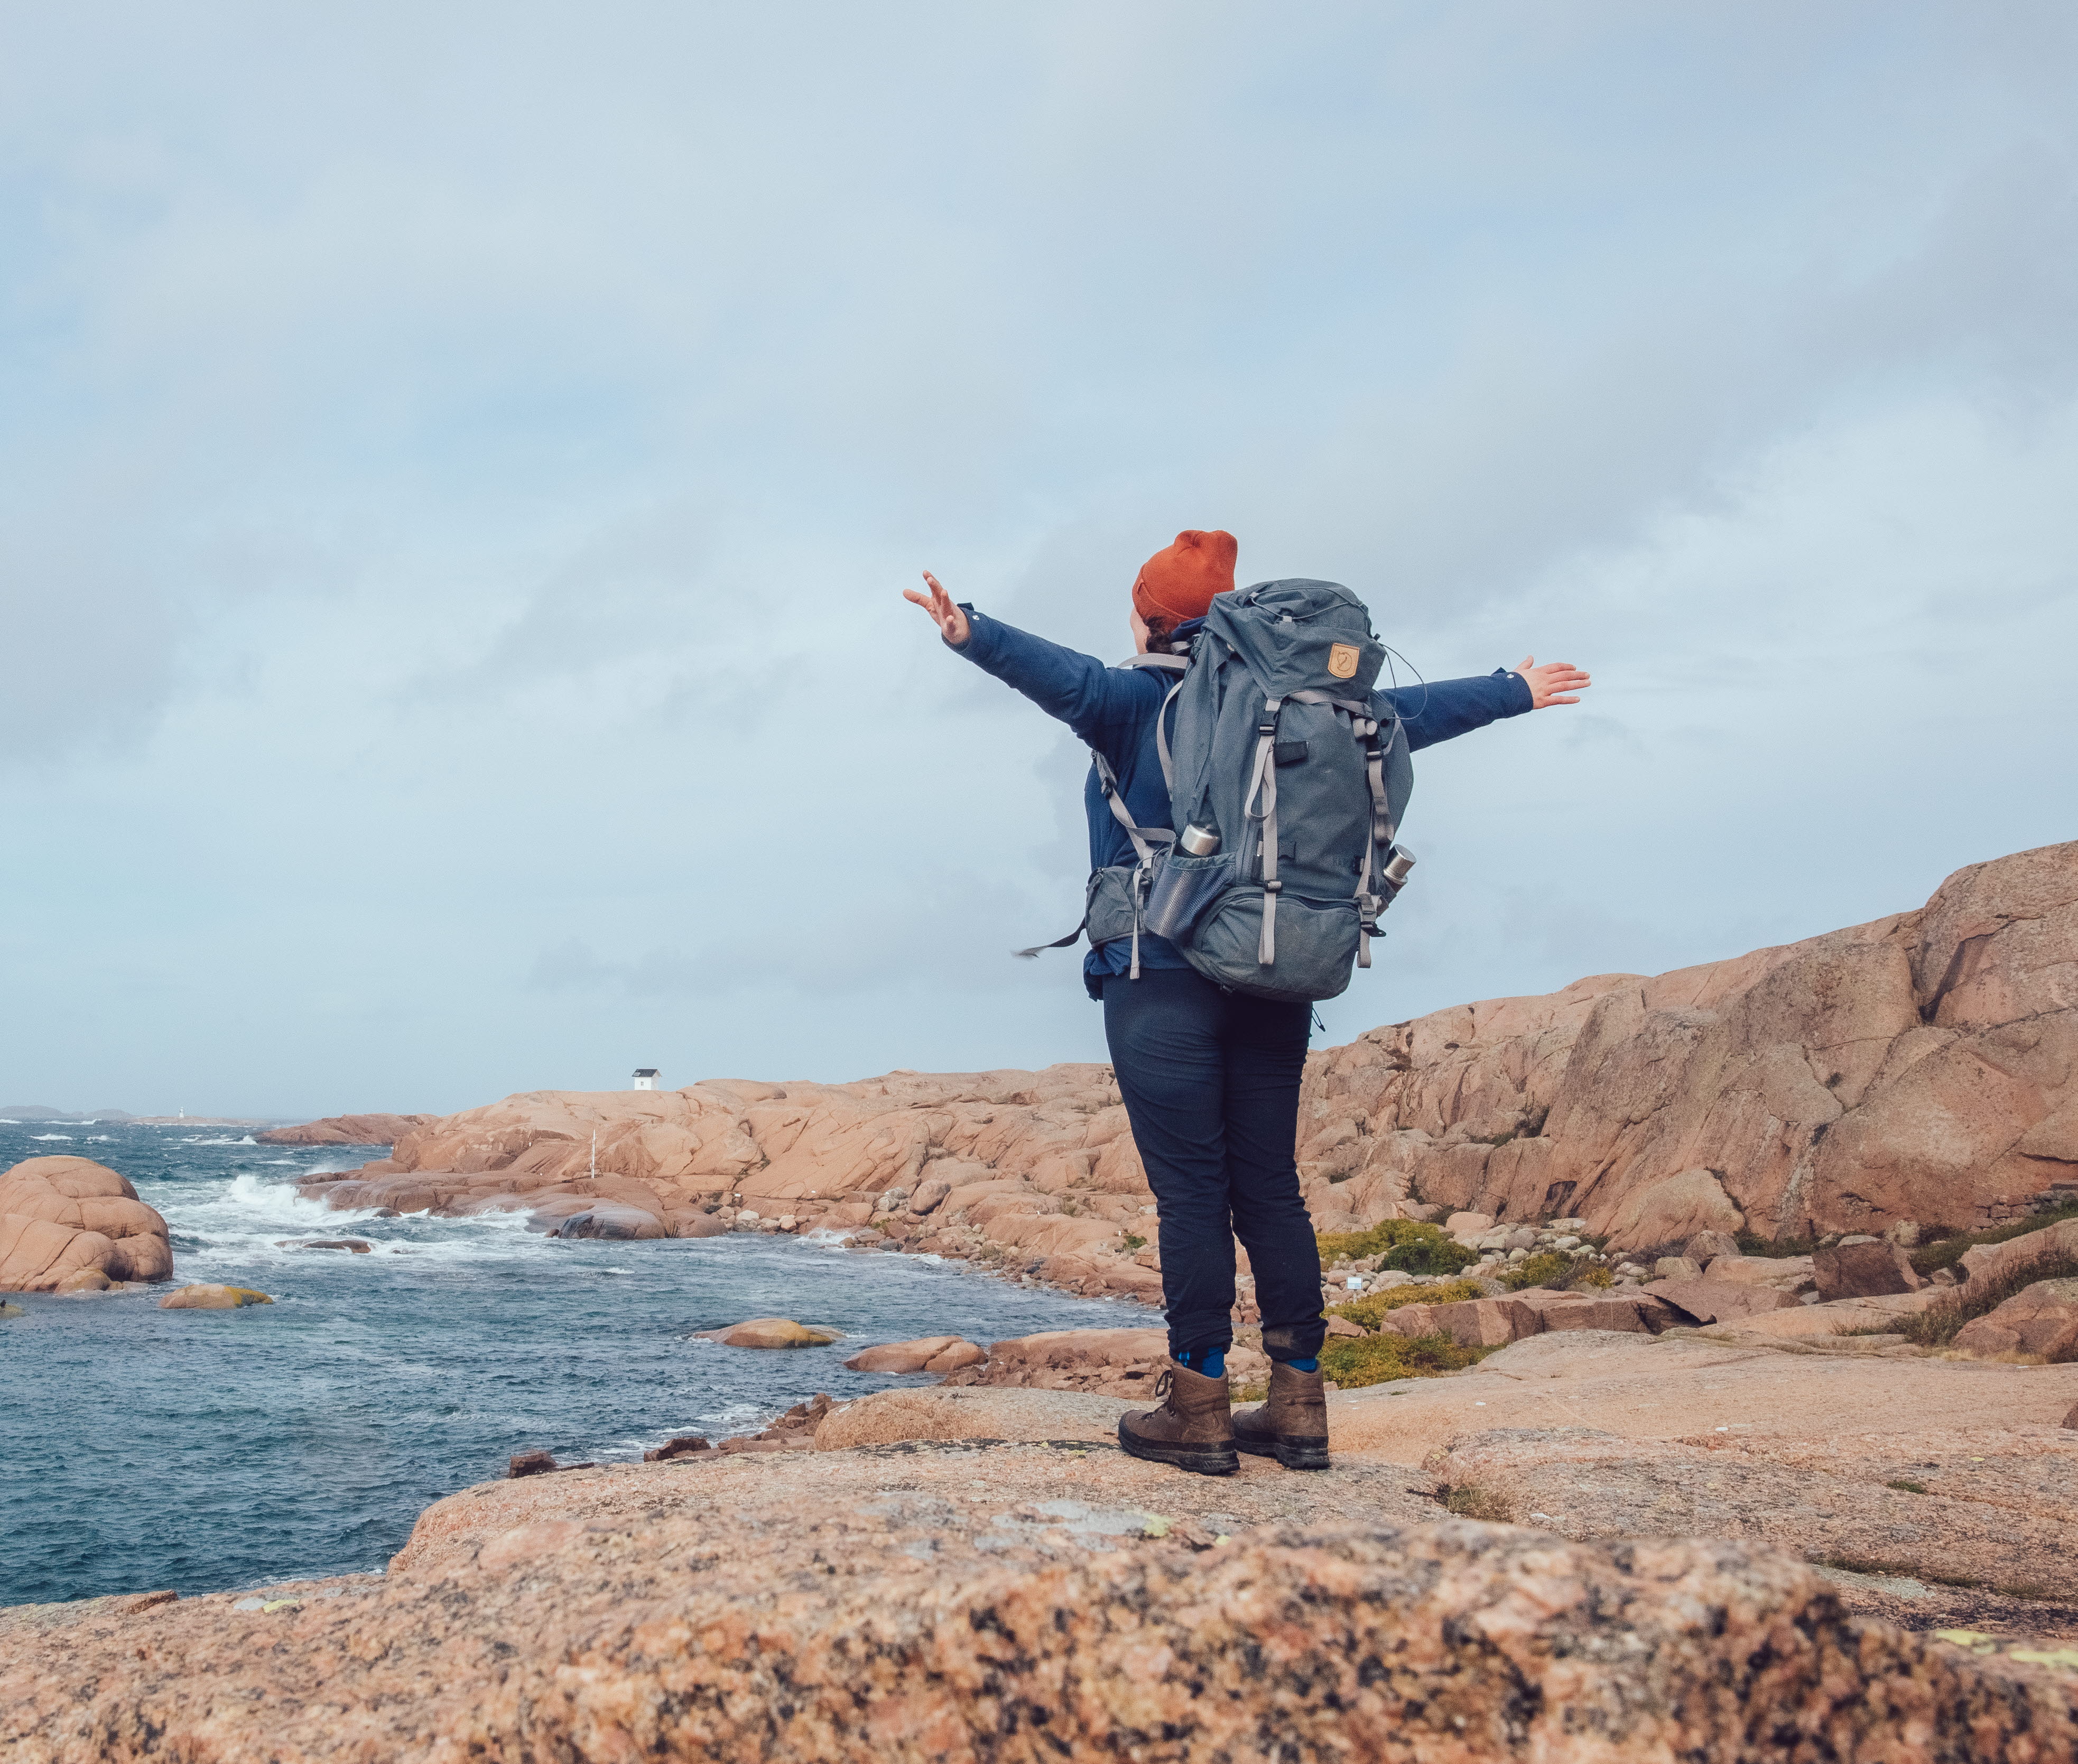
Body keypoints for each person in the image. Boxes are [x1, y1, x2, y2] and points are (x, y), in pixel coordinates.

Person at [904, 531, 1590, 1475]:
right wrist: (1513, 688)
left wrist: (969, 631)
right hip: (1277, 965)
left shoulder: (1130, 699)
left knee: (1192, 1192)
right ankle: (1300, 1404)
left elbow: (1054, 674)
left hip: (1159, 973)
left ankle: (1198, 1408)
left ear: (1150, 618)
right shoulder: (1303, 705)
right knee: (1270, 1186)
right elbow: (1410, 713)